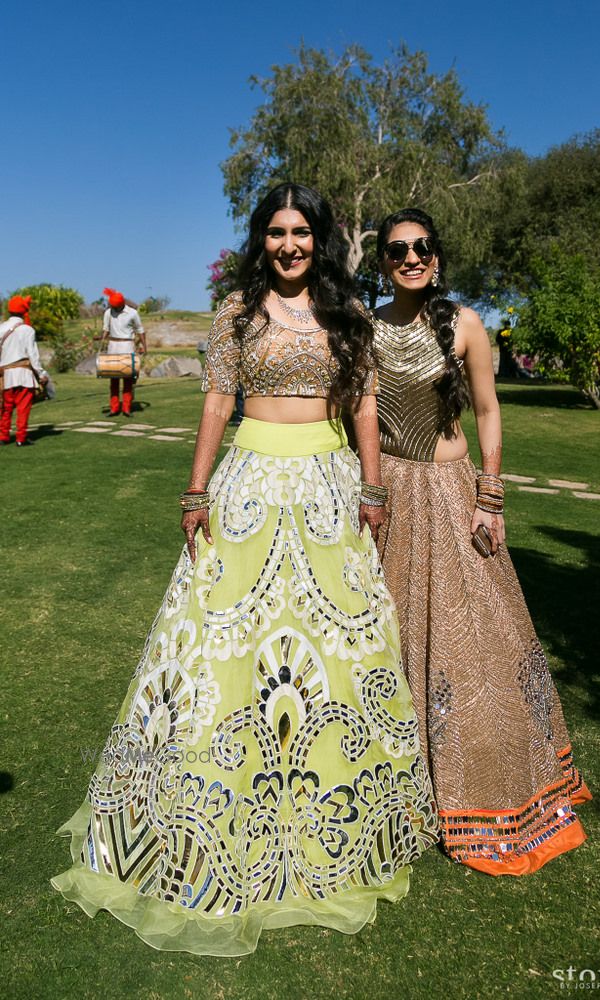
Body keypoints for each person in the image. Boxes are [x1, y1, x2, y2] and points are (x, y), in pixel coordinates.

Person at [51, 184, 438, 956]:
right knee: (222, 646)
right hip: (251, 484)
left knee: (335, 653)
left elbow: (362, 405)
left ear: (318, 239)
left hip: (328, 487)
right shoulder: (235, 311)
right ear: (260, 239)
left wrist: (371, 486)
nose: (289, 244)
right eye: (275, 232)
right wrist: (196, 490)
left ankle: (330, 824)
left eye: (300, 232)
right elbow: (216, 403)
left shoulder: (348, 313)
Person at [372, 208, 591, 875]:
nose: (410, 257)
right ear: (382, 261)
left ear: (437, 256)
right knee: (389, 632)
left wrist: (489, 496)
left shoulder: (465, 324)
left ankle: (482, 786)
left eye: (421, 247)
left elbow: (490, 410)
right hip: (385, 501)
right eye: (396, 249)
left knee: (471, 645)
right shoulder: (367, 325)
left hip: (448, 491)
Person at [0, 295, 49, 446]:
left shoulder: (1, 327)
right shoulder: (27, 330)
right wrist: (41, 374)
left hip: (5, 375)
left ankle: (3, 436)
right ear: (23, 311)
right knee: (23, 408)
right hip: (24, 375)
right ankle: (21, 438)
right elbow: (33, 355)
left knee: (6, 408)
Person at [98, 288, 147, 416]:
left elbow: (140, 330)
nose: (114, 308)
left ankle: (126, 408)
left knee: (128, 380)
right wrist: (101, 339)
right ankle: (114, 408)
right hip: (113, 347)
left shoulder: (133, 313)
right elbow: (106, 329)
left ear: (122, 303)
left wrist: (144, 346)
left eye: (116, 306)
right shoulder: (108, 313)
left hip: (127, 346)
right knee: (113, 380)